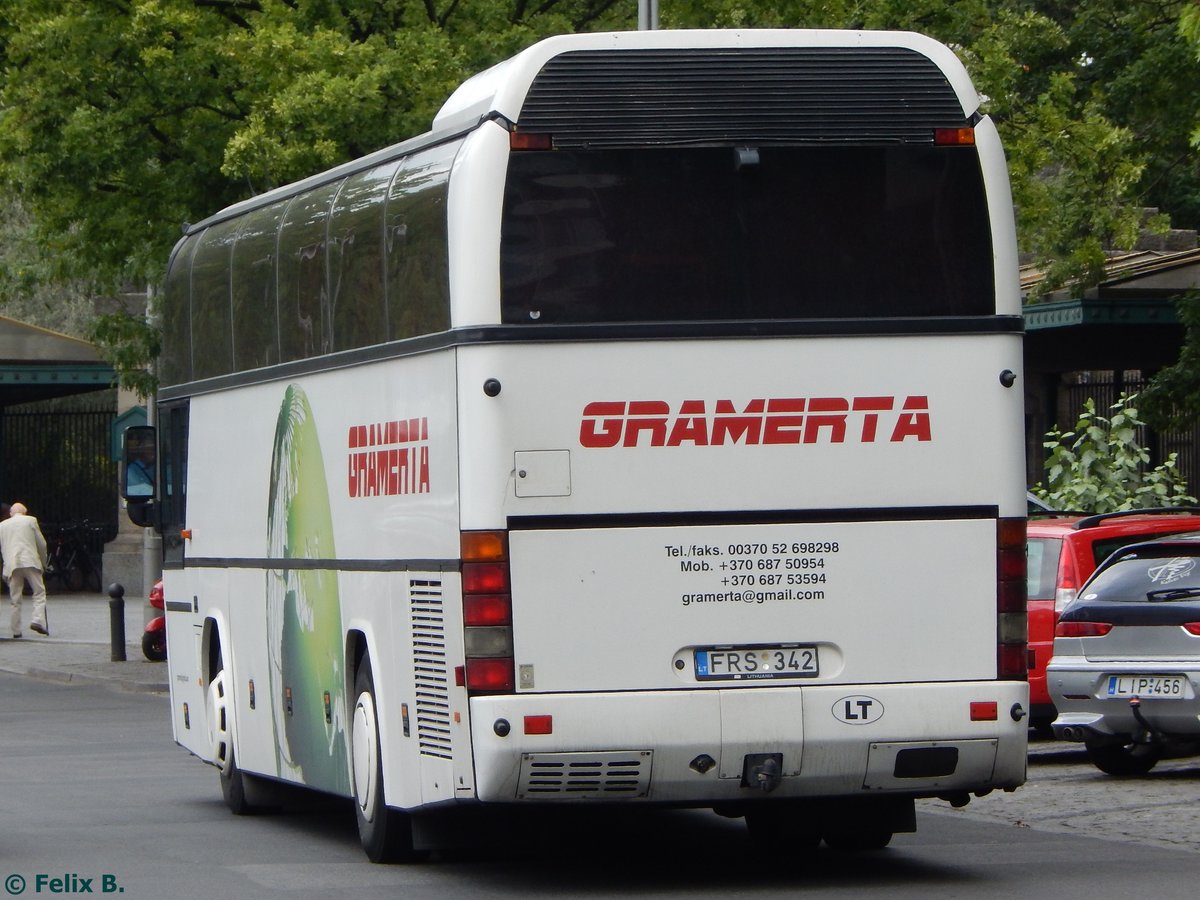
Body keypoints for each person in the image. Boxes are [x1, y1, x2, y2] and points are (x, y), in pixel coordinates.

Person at [0, 502, 50, 638]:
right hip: (30, 561)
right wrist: (44, 563)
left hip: (12, 565)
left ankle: (16, 630)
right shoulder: (31, 521)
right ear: (25, 512)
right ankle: (37, 620)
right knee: (39, 592)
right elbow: (42, 544)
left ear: (11, 513)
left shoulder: (2, 526)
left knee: (15, 598)